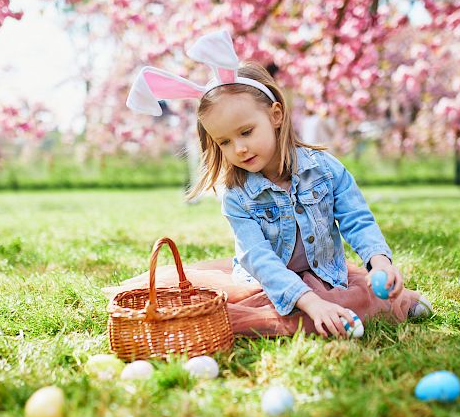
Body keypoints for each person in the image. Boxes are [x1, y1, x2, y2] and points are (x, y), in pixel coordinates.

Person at [117, 30, 432, 338]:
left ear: (276, 115)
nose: (238, 148)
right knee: (291, 314)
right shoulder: (237, 195)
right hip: (268, 282)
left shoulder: (324, 169)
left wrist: (379, 263)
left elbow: (356, 219)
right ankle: (326, 309)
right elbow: (260, 258)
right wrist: (311, 302)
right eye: (224, 141)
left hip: (325, 271)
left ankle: (396, 300)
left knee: (357, 292)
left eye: (246, 132)